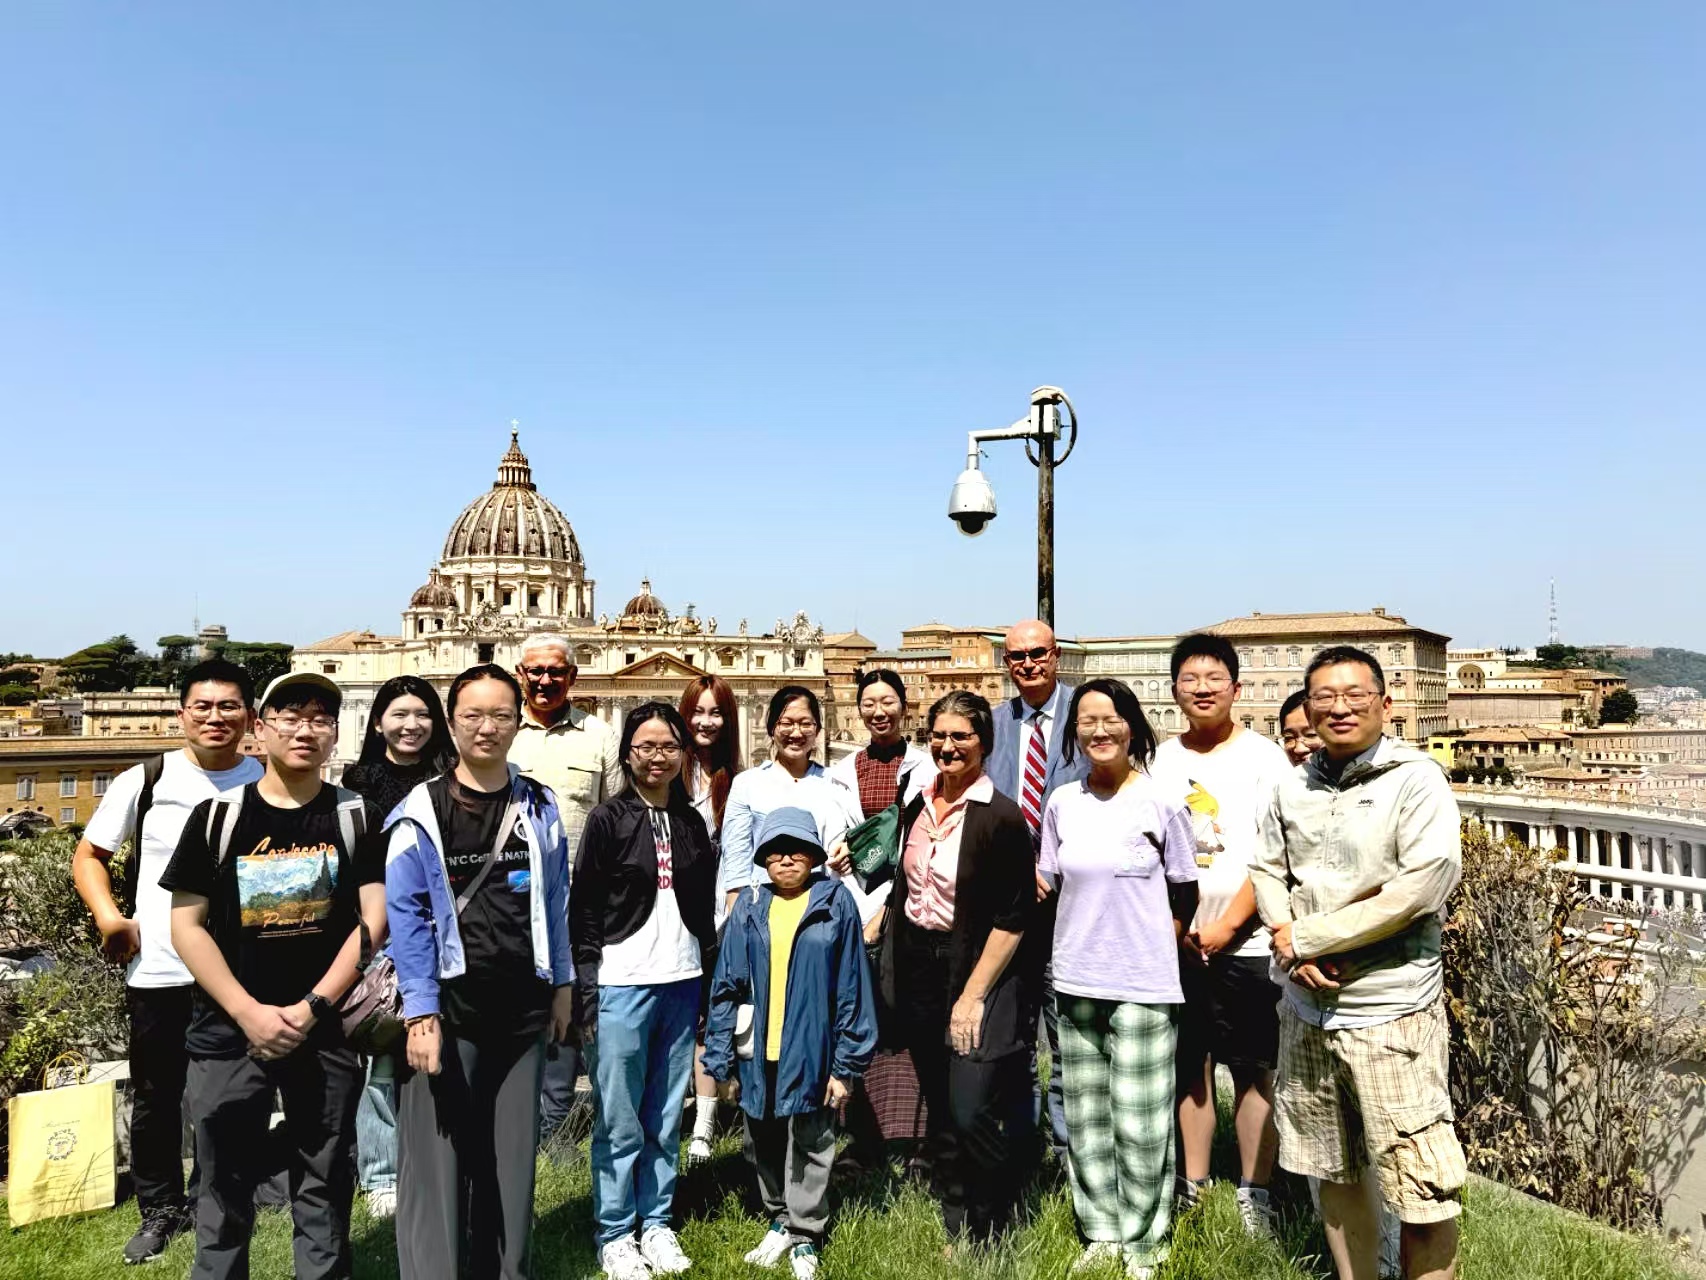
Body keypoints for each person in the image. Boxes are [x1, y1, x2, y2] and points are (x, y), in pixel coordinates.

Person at [162, 672, 387, 1280]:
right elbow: (186, 926)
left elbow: (373, 921)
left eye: (319, 719)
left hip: (325, 1028)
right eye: (290, 717)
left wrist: (313, 1006)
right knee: (222, 1180)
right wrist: (248, 1012)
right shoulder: (216, 817)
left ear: (335, 734)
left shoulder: (357, 816)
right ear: (260, 731)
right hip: (227, 1031)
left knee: (325, 1176)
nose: (305, 730)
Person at [1252, 646, 1467, 1280]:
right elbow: (1266, 868)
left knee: (1422, 1186)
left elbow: (1423, 885)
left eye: (1355, 695)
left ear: (1385, 703)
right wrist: (1290, 942)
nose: (1339, 708)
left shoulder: (1416, 779)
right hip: (1307, 1009)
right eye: (1324, 696)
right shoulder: (1291, 784)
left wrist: (1309, 938)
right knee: (1332, 1169)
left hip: (1390, 1011)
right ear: (1308, 706)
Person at [384, 664, 575, 1280]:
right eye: (473, 715)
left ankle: (507, 1270)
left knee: (511, 1164)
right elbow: (407, 917)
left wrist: (563, 984)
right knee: (438, 1165)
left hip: (522, 1004)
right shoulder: (420, 810)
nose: (486, 727)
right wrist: (420, 1014)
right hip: (448, 1010)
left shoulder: (539, 804)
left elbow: (555, 899)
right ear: (451, 722)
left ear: (518, 723)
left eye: (500, 715)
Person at [73, 659, 265, 1265]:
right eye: (202, 706)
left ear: (249, 717)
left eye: (228, 706)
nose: (215, 717)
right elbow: (90, 855)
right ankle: (159, 1206)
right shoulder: (147, 779)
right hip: (159, 965)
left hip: (240, 972)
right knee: (158, 1092)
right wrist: (109, 917)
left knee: (231, 1093)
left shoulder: (267, 778)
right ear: (182, 714)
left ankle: (217, 1193)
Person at [1040, 678, 1198, 1280]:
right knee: (1087, 1118)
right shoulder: (1063, 803)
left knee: (1140, 1120)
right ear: (1074, 733)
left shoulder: (1161, 802)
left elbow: (1184, 889)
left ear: (1132, 726)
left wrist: (1155, 942)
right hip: (1075, 977)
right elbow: (1052, 882)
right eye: (1087, 721)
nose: (1099, 730)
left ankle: (1145, 1242)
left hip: (1143, 983)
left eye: (1111, 719)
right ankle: (1101, 1230)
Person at [1145, 635, 1292, 1235]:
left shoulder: (1265, 759)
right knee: (1192, 1067)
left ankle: (1256, 1192)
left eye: (1214, 679)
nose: (1202, 689)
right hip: (1178, 943)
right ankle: (1194, 1187)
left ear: (1236, 688)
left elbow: (1276, 854)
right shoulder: (1161, 760)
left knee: (1255, 1068)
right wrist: (1179, 928)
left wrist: (1229, 925)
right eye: (1190, 679)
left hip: (1250, 943)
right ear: (1174, 690)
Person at [882, 691, 1040, 1243]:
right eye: (939, 735)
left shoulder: (1001, 817)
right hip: (919, 968)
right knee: (942, 1104)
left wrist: (972, 996)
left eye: (960, 736)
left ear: (983, 744)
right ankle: (959, 1221)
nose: (947, 746)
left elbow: (1014, 918)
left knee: (971, 1107)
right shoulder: (916, 804)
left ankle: (996, 1215)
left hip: (976, 970)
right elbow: (905, 884)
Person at [572, 702, 719, 1280]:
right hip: (621, 980)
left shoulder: (691, 823)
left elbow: (704, 910)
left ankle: (656, 1223)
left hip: (681, 980)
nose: (657, 757)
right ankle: (615, 1232)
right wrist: (586, 988)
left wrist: (708, 982)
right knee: (619, 1118)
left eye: (668, 747)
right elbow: (585, 909)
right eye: (646, 747)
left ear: (683, 754)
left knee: (664, 1113)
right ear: (628, 754)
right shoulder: (607, 819)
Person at [704, 807, 877, 1280]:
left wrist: (845, 1066)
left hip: (813, 1050)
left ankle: (806, 1233)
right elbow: (726, 987)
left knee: (813, 1140)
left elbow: (852, 986)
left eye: (797, 850)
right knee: (760, 1139)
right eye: (776, 850)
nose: (786, 859)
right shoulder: (749, 906)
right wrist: (721, 1061)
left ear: (814, 856)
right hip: (757, 1050)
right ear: (763, 858)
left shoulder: (834, 904)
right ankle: (779, 1217)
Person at [339, 675, 457, 1220]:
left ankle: (437, 1158)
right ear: (377, 722)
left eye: (422, 714)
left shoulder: (453, 776)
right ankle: (381, 1173)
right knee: (382, 1056)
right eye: (399, 714)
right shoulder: (355, 784)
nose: (411, 725)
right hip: (380, 935)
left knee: (443, 1050)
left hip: (446, 932)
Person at [507, 633, 621, 1143]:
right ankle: (513, 1123)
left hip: (579, 901)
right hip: (508, 902)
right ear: (520, 674)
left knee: (570, 1011)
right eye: (535, 671)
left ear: (573, 677)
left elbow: (618, 819)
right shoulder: (500, 730)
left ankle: (557, 1129)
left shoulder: (600, 737)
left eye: (556, 671)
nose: (545, 680)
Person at [824, 669, 935, 1175]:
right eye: (868, 703)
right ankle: (863, 1137)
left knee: (913, 1020)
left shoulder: (927, 766)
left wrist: (891, 903)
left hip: (912, 903)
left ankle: (920, 1140)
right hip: (857, 901)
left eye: (888, 701)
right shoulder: (842, 771)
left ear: (904, 706)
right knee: (860, 1017)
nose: (878, 711)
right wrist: (839, 854)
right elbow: (836, 833)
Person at [986, 618, 1086, 1162]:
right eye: (1017, 656)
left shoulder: (1086, 714)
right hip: (1006, 903)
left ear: (1056, 655)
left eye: (1037, 653)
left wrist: (1051, 867)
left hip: (1073, 903)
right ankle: (1021, 1144)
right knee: (1014, 1030)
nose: (1028, 663)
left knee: (1067, 1031)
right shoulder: (993, 723)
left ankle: (1070, 1146)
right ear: (1007, 663)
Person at [721, 687, 864, 918]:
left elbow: (853, 840)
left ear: (817, 729)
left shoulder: (836, 783)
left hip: (822, 913)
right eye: (786, 723)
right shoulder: (746, 784)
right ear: (772, 728)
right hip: (762, 913)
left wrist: (850, 850)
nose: (796, 733)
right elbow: (736, 868)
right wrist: (737, 922)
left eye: (806, 724)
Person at [678, 674, 745, 1166]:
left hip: (719, 916)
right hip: (668, 914)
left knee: (710, 1018)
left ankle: (704, 1126)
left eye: (716, 712)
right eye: (697, 712)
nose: (705, 722)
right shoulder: (664, 773)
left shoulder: (740, 782)